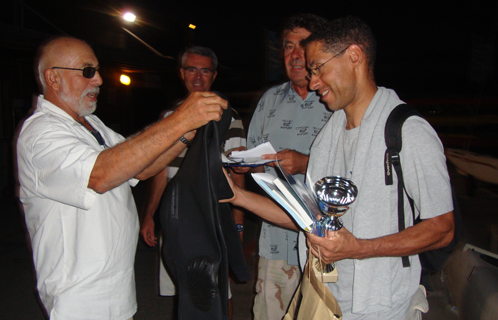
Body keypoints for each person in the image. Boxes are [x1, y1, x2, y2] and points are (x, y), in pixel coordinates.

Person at [223, 16, 455, 319]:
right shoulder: (328, 136)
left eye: (318, 67)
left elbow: (442, 229)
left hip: (381, 307)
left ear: (354, 57)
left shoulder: (407, 131)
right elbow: (307, 219)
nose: (313, 80)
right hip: (324, 299)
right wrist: (235, 196)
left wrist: (357, 248)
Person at [16, 36, 226, 320]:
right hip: (78, 299)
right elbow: (100, 174)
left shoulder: (91, 124)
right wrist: (181, 119)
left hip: (115, 290)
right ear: (53, 78)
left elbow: (140, 166)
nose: (99, 80)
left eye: (98, 70)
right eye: (88, 71)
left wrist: (186, 133)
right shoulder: (40, 133)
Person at [139, 46, 245, 318]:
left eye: (205, 70)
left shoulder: (228, 117)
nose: (198, 76)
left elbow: (238, 176)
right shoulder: (168, 118)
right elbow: (160, 170)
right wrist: (150, 214)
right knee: (184, 290)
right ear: (181, 73)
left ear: (214, 75)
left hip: (210, 218)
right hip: (174, 218)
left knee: (217, 291)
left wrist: (238, 221)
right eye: (191, 69)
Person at [245, 13, 332, 320]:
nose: (295, 55)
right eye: (287, 46)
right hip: (274, 243)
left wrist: (305, 162)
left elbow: (354, 170)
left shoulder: (336, 100)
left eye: (303, 46)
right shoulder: (269, 100)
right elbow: (254, 158)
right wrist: (247, 165)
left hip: (324, 247)